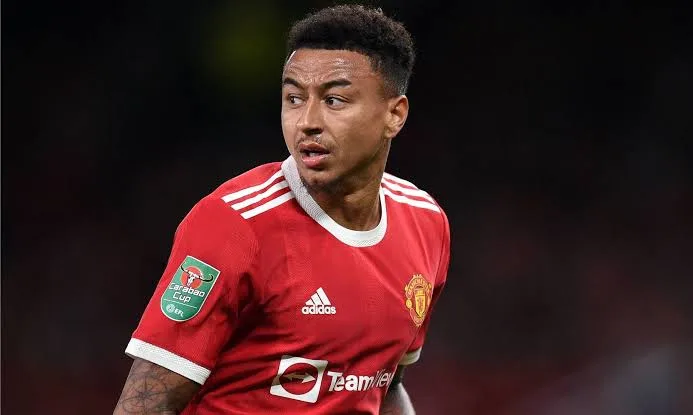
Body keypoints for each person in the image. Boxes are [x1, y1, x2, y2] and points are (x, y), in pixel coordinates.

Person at [113, 4, 450, 414]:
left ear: (394, 115)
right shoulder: (234, 224)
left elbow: (384, 384)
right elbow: (144, 405)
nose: (307, 121)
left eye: (334, 100)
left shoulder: (426, 222)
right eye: (294, 98)